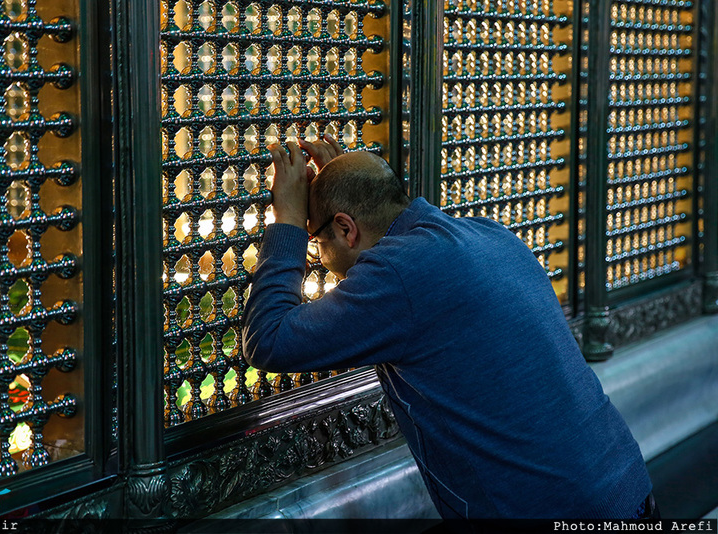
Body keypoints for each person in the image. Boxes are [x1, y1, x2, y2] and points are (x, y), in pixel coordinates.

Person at [241, 135, 656, 521]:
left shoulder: (398, 274)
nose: (317, 252)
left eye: (317, 240)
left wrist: (290, 221)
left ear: (347, 229)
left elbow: (270, 340)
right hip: (627, 485)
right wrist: (336, 190)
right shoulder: (488, 233)